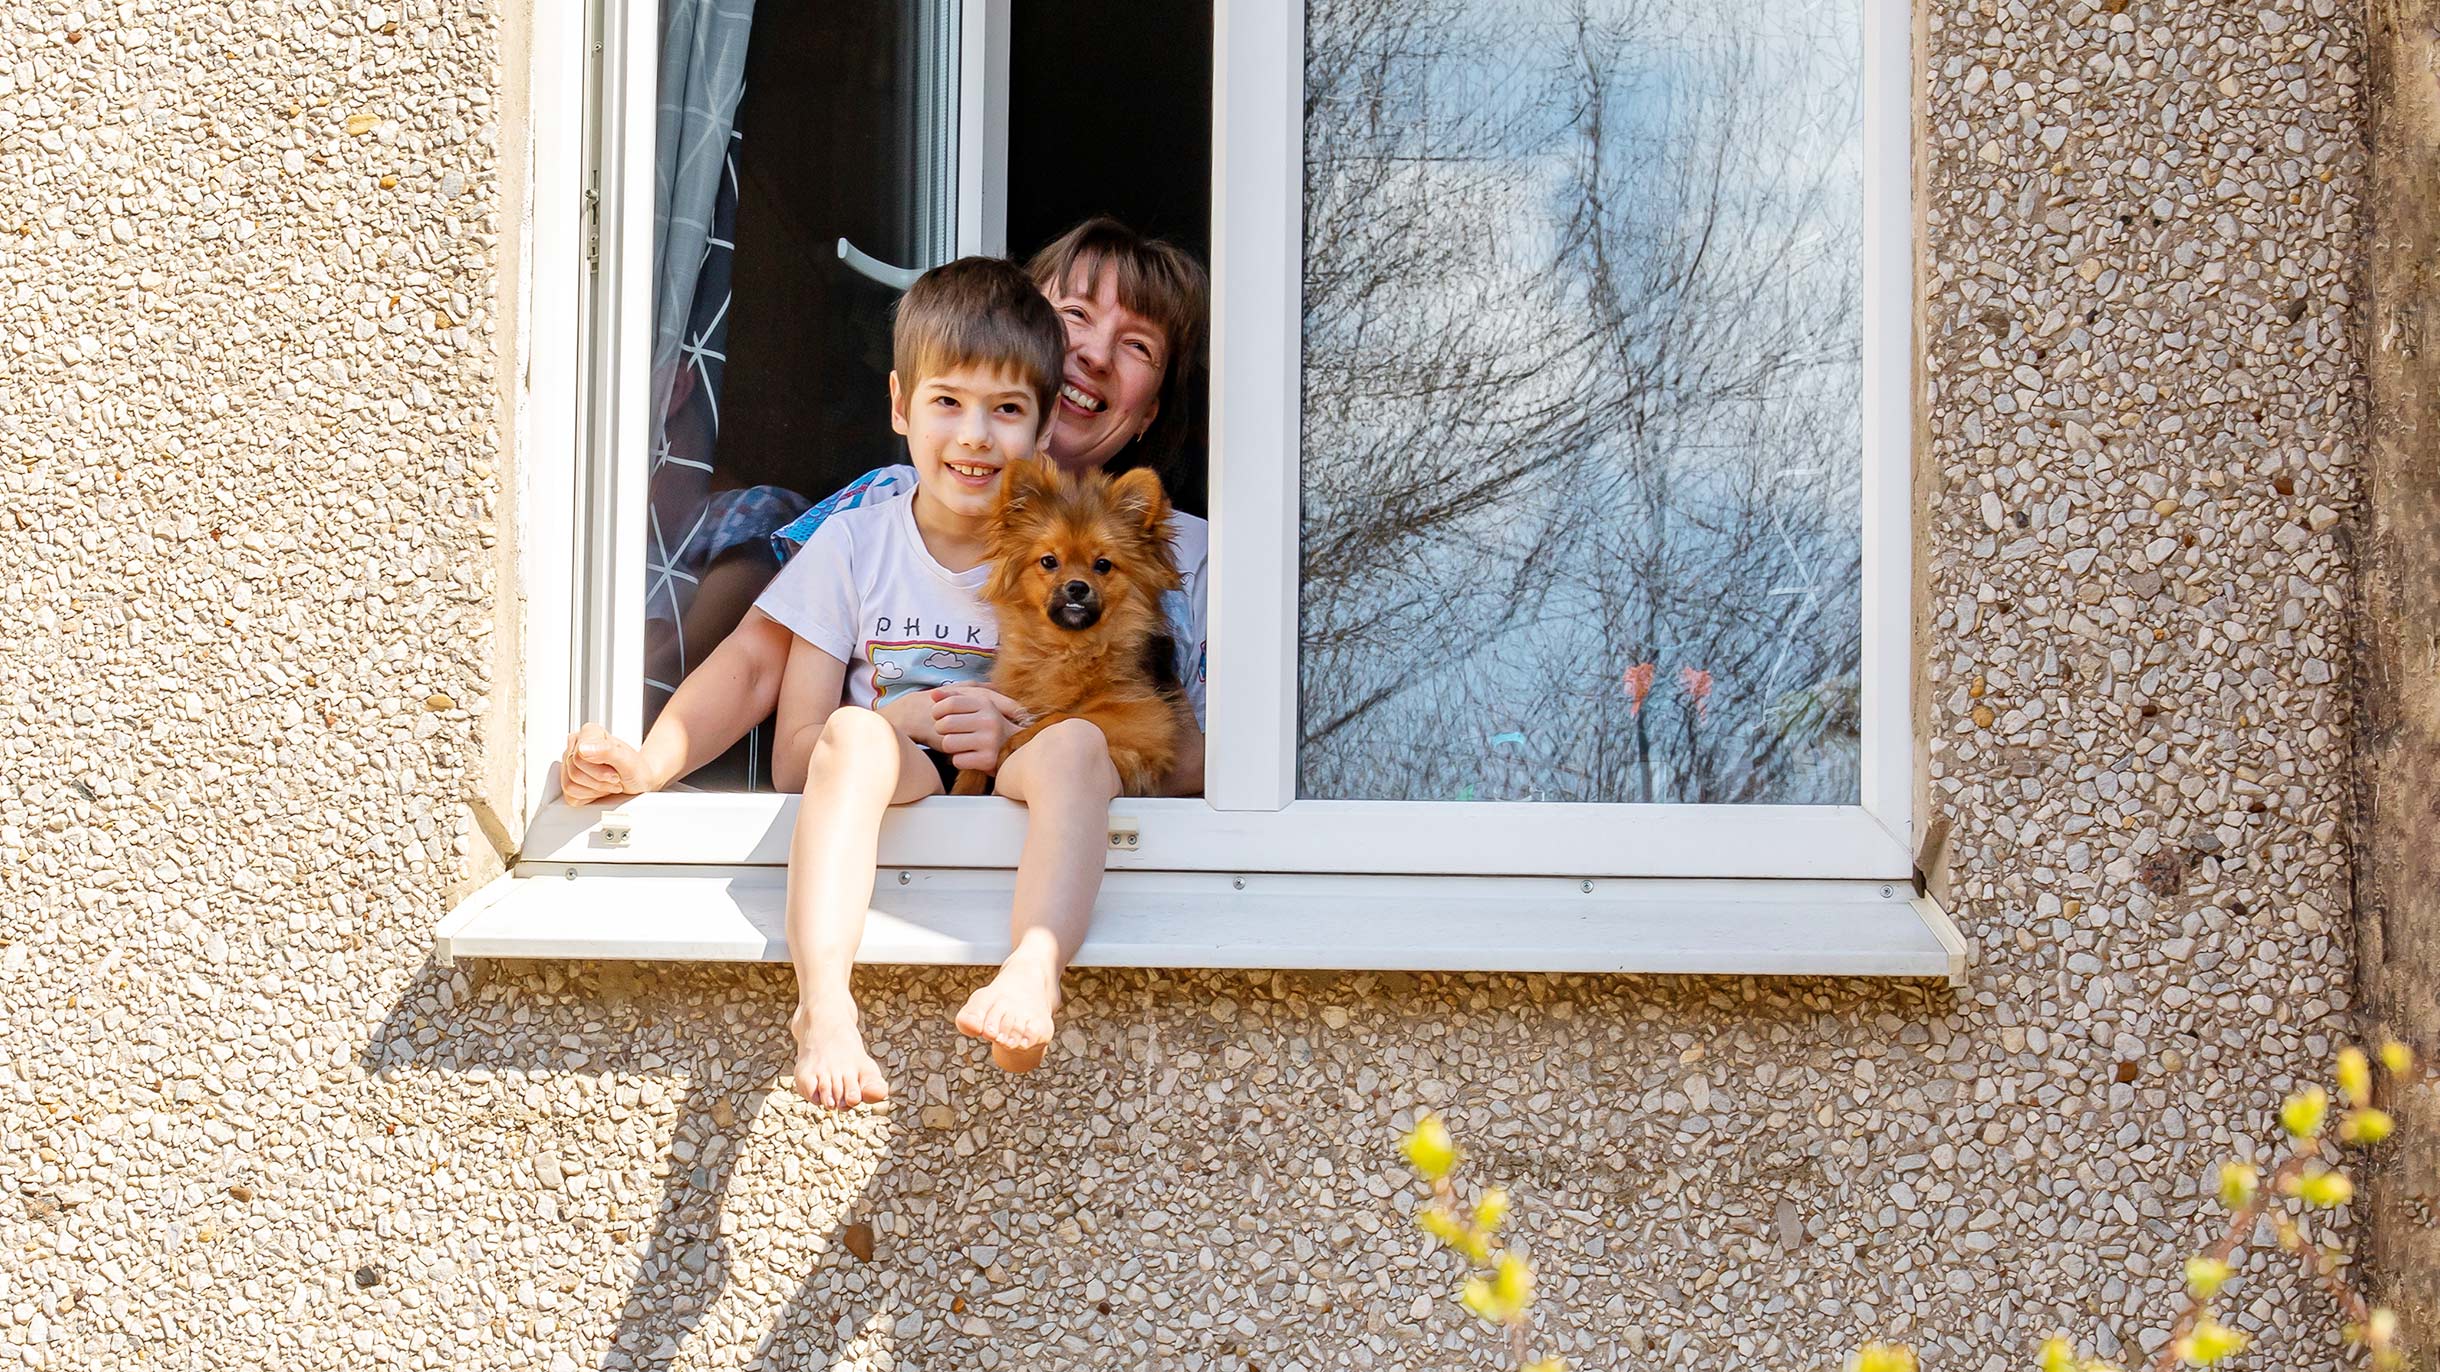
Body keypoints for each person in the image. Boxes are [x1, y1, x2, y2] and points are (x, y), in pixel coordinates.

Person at [559, 220, 1211, 1104]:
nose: (976, 436)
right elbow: (753, 666)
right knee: (858, 736)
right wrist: (649, 761)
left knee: (1074, 749)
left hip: (1012, 791)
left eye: (1007, 411)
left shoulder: (1086, 559)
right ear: (902, 406)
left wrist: (1019, 727)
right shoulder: (861, 534)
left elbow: (1154, 729)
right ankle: (824, 1003)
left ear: (1043, 417)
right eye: (949, 404)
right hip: (898, 779)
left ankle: (1035, 966)